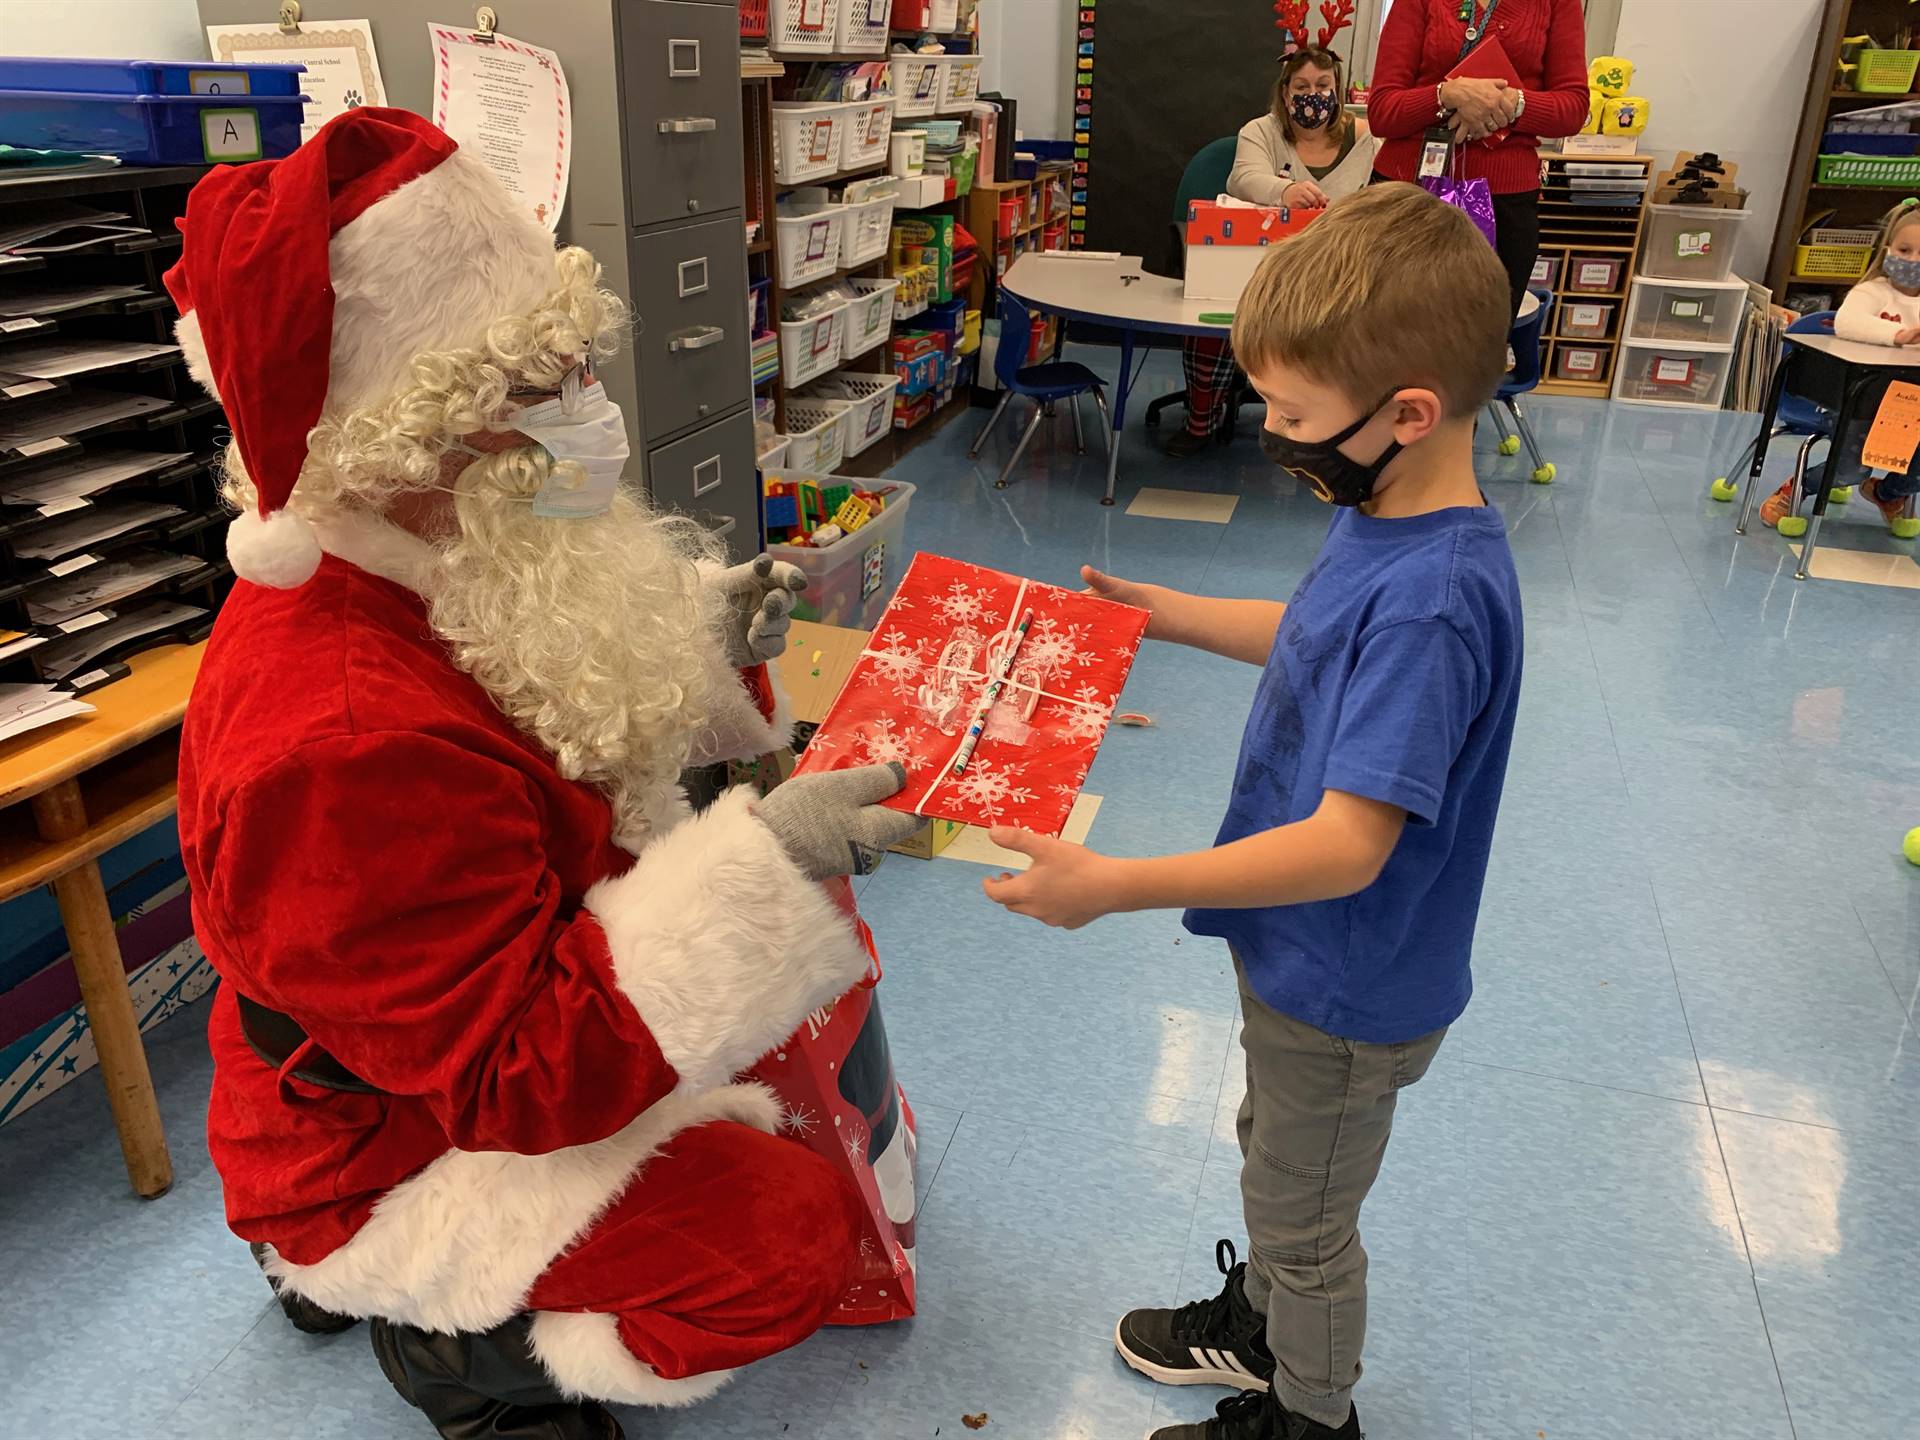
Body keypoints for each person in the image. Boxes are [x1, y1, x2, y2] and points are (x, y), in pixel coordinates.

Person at [169, 107, 921, 1440]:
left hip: (413, 1038)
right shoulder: (338, 744)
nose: (586, 412)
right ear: (405, 439)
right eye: (534, 391)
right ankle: (458, 1353)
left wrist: (699, 631)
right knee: (786, 1236)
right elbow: (520, 1070)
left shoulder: (412, 549)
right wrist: (767, 861)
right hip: (384, 1144)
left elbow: (535, 680)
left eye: (572, 369)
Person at [983, 185, 1523, 1440]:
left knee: (1306, 1220)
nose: (1273, 434)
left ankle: (1310, 1415)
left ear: (1408, 414)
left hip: (1347, 973)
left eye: (1291, 414)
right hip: (1302, 960)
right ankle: (1264, 1332)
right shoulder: (1383, 510)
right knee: (1276, 1154)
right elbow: (1311, 637)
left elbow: (1347, 845)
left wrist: (1115, 880)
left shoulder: (1438, 598)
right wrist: (1167, 615)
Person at [1167, 44, 1378, 459]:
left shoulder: (1362, 138)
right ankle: (1200, 418)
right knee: (1216, 318)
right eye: (1301, 86)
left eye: (1322, 85)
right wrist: (1285, 191)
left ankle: (1318, 427)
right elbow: (1243, 179)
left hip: (1328, 268)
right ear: (1285, 93)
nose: (1312, 95)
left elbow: (1369, 198)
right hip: (1258, 262)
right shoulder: (1259, 131)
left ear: (1337, 90)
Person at [1367, 0, 1589, 317]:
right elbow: (1383, 111)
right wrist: (1445, 95)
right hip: (1406, 196)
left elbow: (1573, 108)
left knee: (1474, 349)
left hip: (1503, 206)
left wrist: (1513, 103)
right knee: (1376, 337)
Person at [1760, 197, 1920, 536]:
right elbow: (1846, 323)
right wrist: (1899, 335)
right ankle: (1800, 486)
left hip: (1911, 408)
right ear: (1889, 248)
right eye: (1905, 250)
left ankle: (1886, 493)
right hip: (1856, 402)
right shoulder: (1872, 291)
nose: (1913, 261)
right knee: (1850, 471)